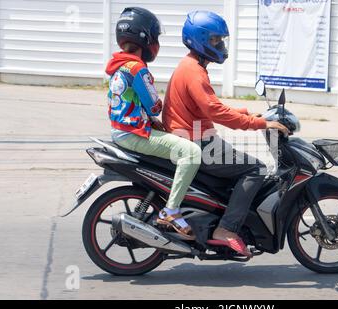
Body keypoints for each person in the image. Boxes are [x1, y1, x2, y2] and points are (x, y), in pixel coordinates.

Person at [162, 11, 289, 256]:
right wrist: (259, 123)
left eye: (221, 40)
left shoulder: (190, 66)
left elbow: (209, 108)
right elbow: (215, 111)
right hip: (196, 141)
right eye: (214, 40)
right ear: (199, 40)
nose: (220, 45)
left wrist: (244, 112)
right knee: (257, 169)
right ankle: (227, 229)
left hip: (193, 135)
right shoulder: (195, 72)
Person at [106, 7, 202, 239]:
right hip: (133, 133)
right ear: (145, 38)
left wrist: (151, 120)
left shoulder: (118, 65)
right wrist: (158, 111)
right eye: (155, 37)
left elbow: (131, 102)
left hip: (122, 130)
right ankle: (171, 211)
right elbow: (153, 105)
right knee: (191, 153)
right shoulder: (137, 68)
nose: (156, 43)